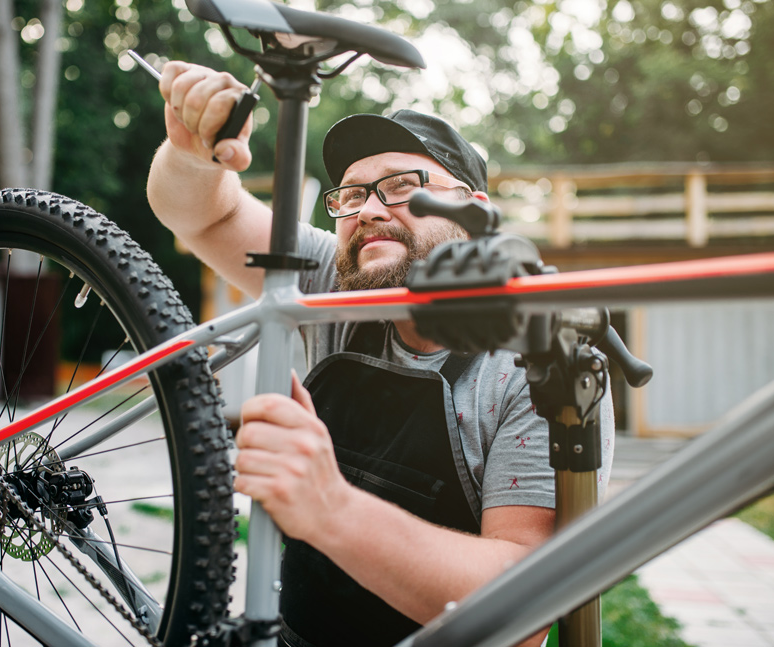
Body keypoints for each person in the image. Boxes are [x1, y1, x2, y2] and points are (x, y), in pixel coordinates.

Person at [146, 61, 614, 647]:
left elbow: (522, 607)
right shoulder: (337, 284)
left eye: (401, 186)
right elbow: (201, 212)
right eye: (350, 194)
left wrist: (330, 507)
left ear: (474, 212)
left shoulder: (537, 362)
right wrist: (190, 153)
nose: (367, 210)